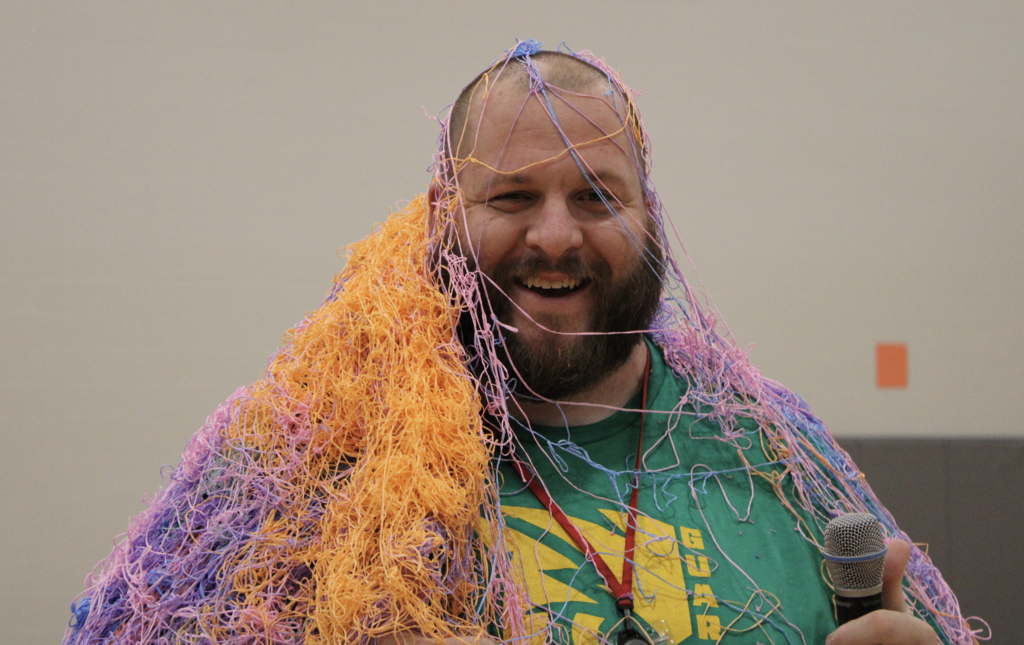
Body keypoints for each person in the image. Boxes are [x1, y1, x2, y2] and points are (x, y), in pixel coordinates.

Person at [63, 42, 968, 645]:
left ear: (650, 217)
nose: (555, 237)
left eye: (594, 196)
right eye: (509, 197)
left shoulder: (778, 454)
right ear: (438, 218)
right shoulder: (302, 462)